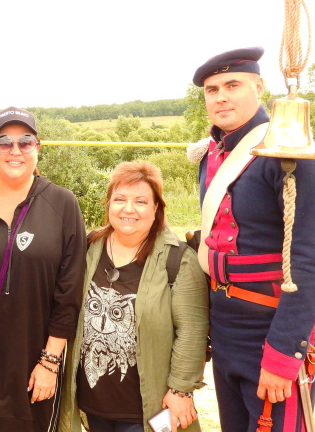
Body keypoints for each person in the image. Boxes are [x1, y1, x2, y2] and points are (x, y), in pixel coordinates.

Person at [191, 47, 315, 431]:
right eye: (211, 90)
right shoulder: (212, 155)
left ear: (259, 87)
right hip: (226, 325)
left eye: (232, 85)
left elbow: (312, 261)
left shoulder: (293, 155)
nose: (220, 97)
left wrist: (284, 352)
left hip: (273, 326)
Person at [0, 107, 86, 432]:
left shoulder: (62, 204)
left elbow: (69, 293)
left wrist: (50, 362)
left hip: (35, 364)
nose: (15, 150)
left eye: (26, 141)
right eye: (4, 142)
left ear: (38, 147)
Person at [59, 161, 209, 432]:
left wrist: (181, 390)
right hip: (94, 403)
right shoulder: (89, 247)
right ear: (109, 204)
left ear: (156, 207)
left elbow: (192, 331)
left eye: (140, 201)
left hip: (149, 409)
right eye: (120, 199)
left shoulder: (178, 260)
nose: (128, 209)